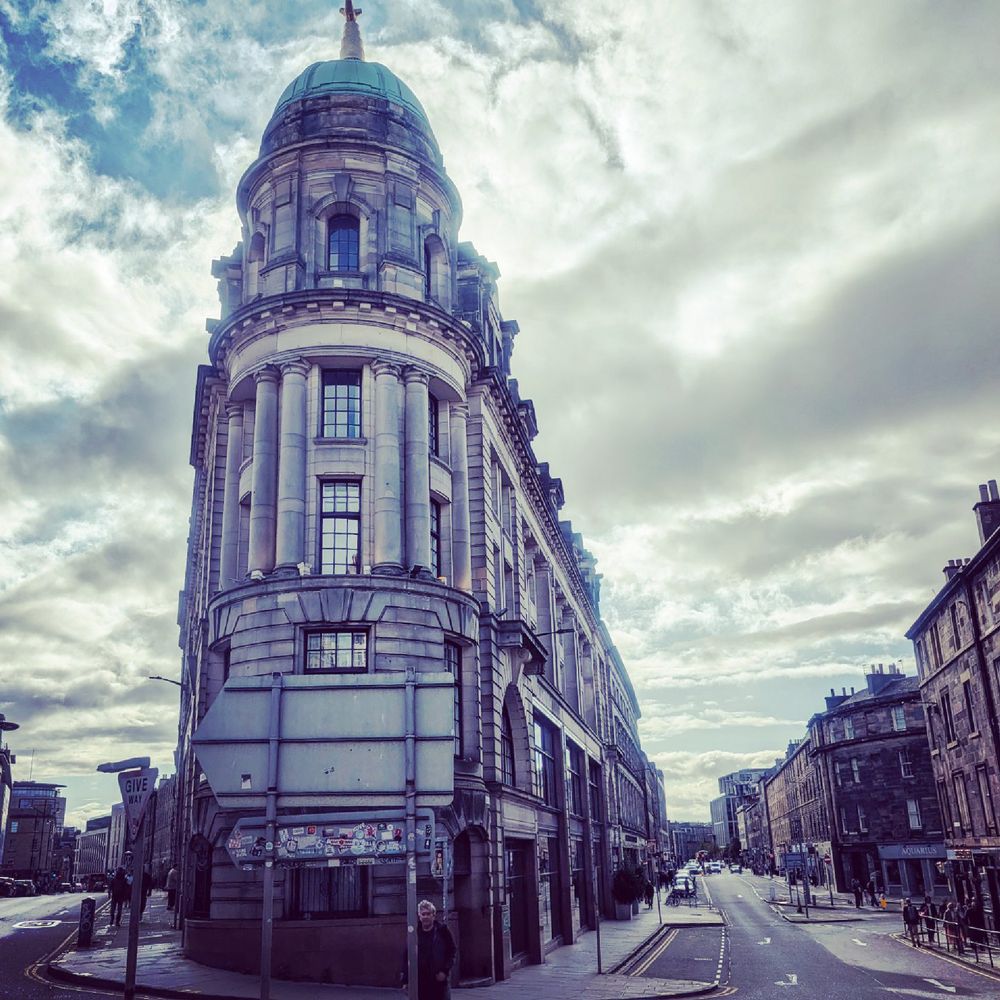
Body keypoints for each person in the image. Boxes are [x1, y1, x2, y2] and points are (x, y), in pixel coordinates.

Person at [401, 900, 456, 1000]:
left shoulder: (442, 931)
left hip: (438, 981)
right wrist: (405, 980)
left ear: (433, 915)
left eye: (428, 914)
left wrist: (445, 971)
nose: (425, 916)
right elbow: (407, 956)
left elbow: (452, 951)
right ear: (419, 916)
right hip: (420, 982)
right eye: (423, 914)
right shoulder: (414, 933)